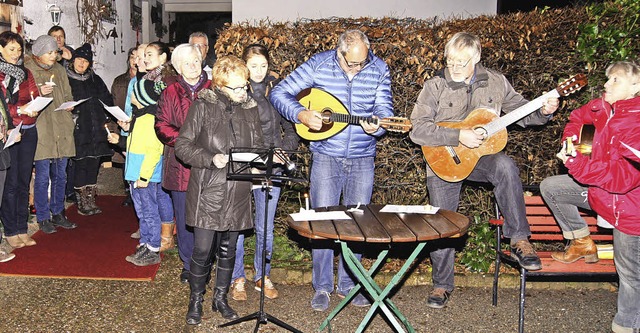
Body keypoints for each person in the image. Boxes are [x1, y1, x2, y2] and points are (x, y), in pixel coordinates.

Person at [409, 31, 559, 309]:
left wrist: (544, 110)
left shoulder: (496, 82)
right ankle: (442, 285)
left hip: (480, 158)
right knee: (444, 223)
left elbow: (524, 114)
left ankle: (519, 239)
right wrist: (458, 137)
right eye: (450, 61)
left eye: (461, 62)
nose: (453, 68)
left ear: (476, 57)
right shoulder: (435, 85)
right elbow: (417, 129)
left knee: (504, 164)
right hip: (442, 158)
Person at [270, 29, 393, 311]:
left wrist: (380, 125)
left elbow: (385, 108)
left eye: (362, 63)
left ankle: (349, 285)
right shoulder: (319, 64)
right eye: (351, 63)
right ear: (339, 52)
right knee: (322, 226)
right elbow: (279, 92)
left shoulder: (379, 68)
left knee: (357, 224)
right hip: (325, 154)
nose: (357, 68)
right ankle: (322, 287)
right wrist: (300, 113)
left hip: (363, 156)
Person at [539, 61, 640, 333]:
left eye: (615, 80)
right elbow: (577, 118)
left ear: (635, 86)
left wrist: (577, 165)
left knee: (631, 275)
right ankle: (581, 242)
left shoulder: (636, 123)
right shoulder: (599, 106)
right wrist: (573, 144)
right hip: (601, 193)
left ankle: (626, 326)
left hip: (630, 209)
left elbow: (623, 179)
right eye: (608, 79)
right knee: (553, 187)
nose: (607, 85)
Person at [175, 55, 263, 324]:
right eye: (236, 87)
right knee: (202, 250)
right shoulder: (203, 106)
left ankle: (220, 298)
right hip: (208, 190)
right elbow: (183, 145)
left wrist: (259, 164)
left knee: (229, 249)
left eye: (244, 86)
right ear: (220, 86)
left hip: (238, 190)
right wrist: (211, 158)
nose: (242, 92)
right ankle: (196, 299)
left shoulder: (250, 108)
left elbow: (258, 145)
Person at [230, 43, 298, 301]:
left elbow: (293, 130)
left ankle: (262, 275)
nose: (259, 71)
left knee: (265, 227)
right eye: (253, 65)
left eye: (264, 65)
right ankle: (238, 277)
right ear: (244, 66)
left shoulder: (279, 92)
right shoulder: (235, 91)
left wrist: (284, 151)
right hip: (243, 167)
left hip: (272, 167)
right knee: (237, 226)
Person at [108, 43, 174, 266]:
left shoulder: (151, 121)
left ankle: (153, 247)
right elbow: (135, 143)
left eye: (135, 96)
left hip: (144, 171)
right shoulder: (140, 118)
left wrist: (144, 175)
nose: (131, 99)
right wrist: (124, 134)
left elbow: (155, 148)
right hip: (135, 167)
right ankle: (145, 243)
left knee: (148, 210)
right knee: (140, 208)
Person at [155, 43, 211, 283]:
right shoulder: (170, 92)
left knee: (209, 216)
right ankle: (188, 264)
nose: (193, 66)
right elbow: (162, 126)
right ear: (178, 67)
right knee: (185, 217)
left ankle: (207, 260)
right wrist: (187, 142)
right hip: (181, 165)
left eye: (196, 61)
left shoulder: (214, 89)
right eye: (187, 63)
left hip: (210, 164)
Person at [24, 35, 77, 234]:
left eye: (55, 52)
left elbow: (67, 94)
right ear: (38, 53)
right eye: (50, 52)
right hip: (42, 128)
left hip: (61, 126)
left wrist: (70, 104)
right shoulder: (29, 70)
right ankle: (43, 216)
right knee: (42, 176)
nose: (54, 56)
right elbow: (25, 98)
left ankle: (58, 212)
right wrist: (39, 92)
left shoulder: (60, 70)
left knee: (60, 175)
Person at [65, 43, 114, 215]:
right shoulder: (66, 79)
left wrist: (109, 116)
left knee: (94, 164)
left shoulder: (95, 79)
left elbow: (107, 99)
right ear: (72, 61)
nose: (82, 63)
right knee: (81, 164)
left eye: (86, 61)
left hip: (96, 129)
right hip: (79, 128)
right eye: (79, 59)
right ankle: (81, 202)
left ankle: (90, 199)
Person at [0, 31, 37, 253]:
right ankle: (11, 230)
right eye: (11, 49)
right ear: (1, 49)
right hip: (9, 132)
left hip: (29, 129)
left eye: (19, 49)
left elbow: (32, 94)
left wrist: (33, 105)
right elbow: (3, 105)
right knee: (10, 184)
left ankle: (22, 227)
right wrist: (19, 109)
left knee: (24, 181)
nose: (16, 54)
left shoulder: (26, 72)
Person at [110, 47, 137, 166]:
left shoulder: (146, 81)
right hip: (121, 126)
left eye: (138, 57)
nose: (134, 60)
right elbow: (113, 104)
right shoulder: (119, 81)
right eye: (132, 57)